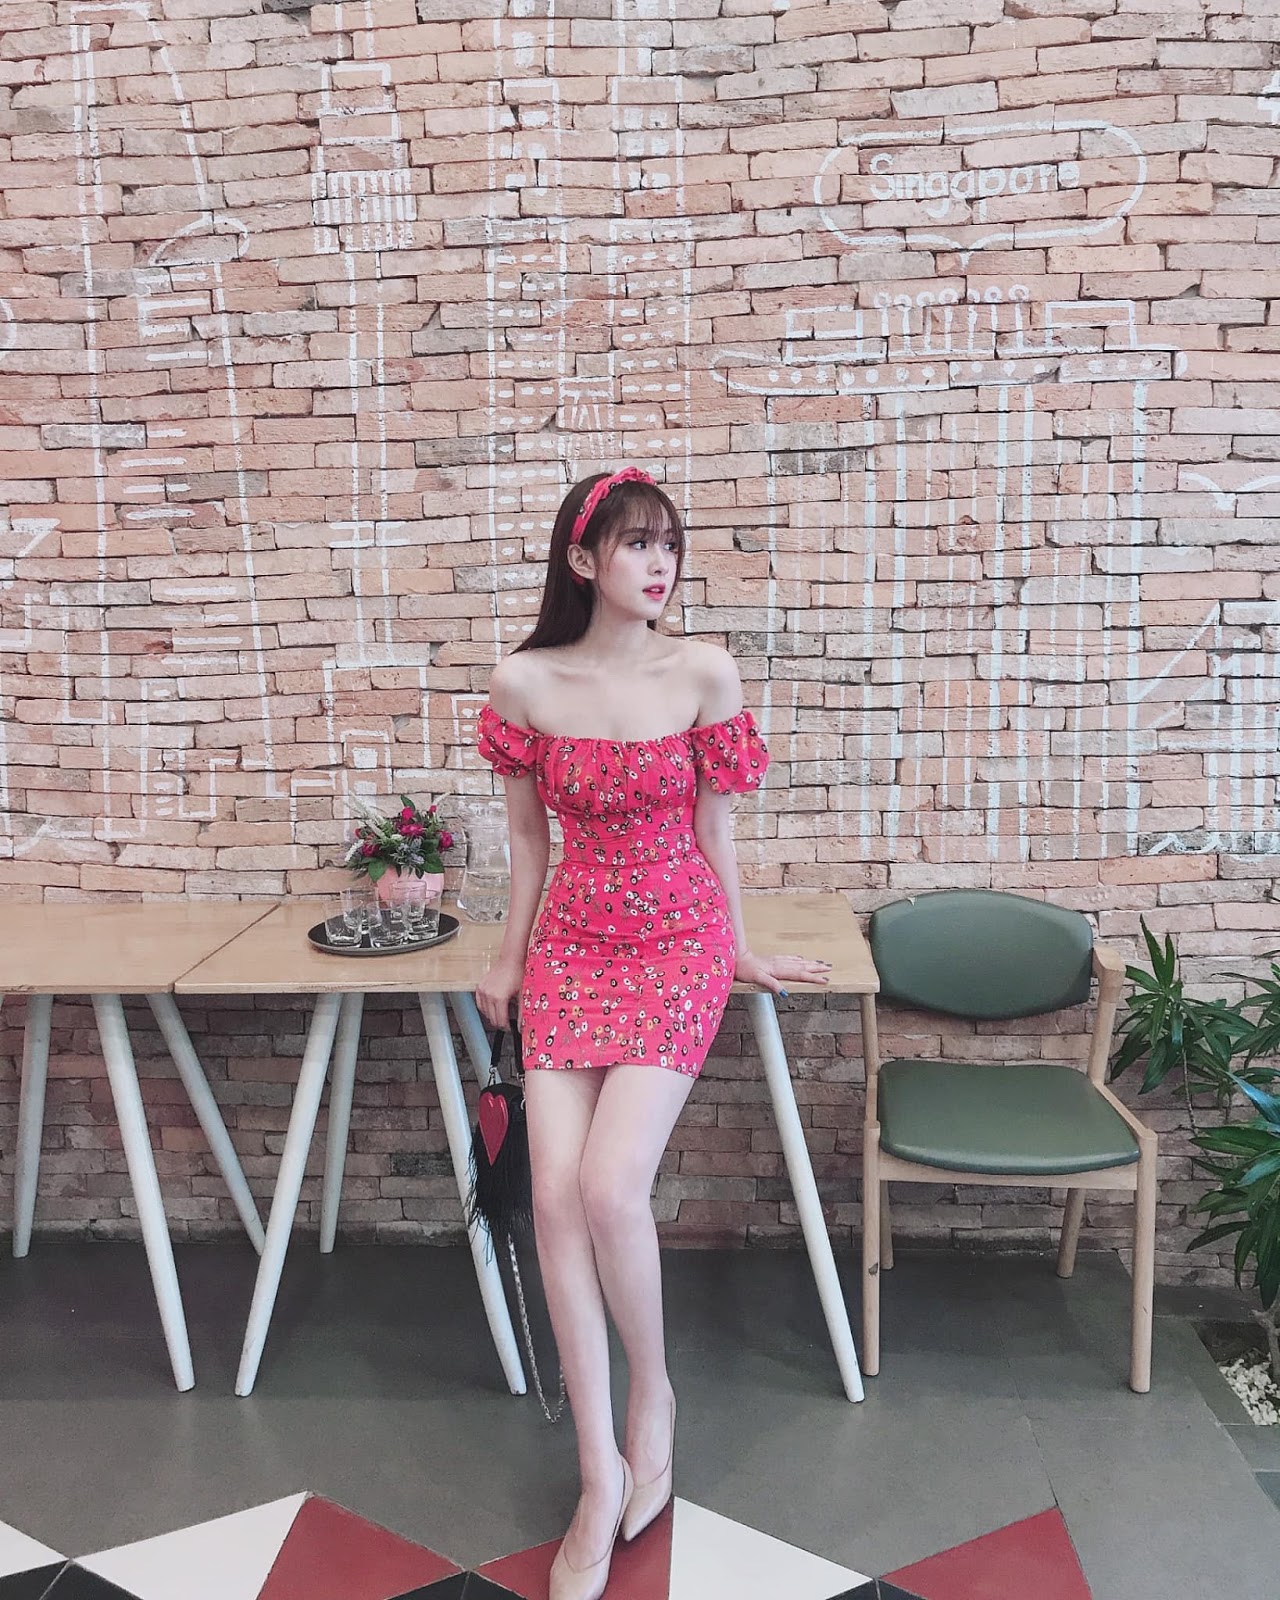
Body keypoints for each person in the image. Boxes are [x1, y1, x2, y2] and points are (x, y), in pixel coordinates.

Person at [474, 467, 832, 1600]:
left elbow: (715, 832)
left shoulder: (704, 673)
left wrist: (740, 947)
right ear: (582, 561)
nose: (659, 562)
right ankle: (597, 1473)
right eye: (636, 543)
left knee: (609, 1185)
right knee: (551, 1197)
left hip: (677, 942)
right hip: (571, 948)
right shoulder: (524, 683)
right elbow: (528, 845)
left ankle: (654, 1397)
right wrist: (506, 958)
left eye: (668, 542)